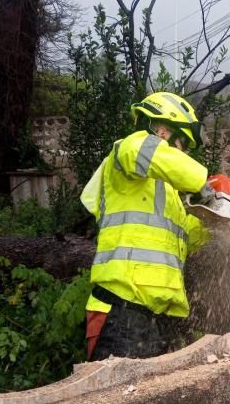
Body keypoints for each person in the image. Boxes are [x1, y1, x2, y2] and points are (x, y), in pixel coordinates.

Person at [79, 91, 216, 360]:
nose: (184, 154)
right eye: (182, 144)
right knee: (115, 400)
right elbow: (151, 154)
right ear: (163, 132)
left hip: (159, 319)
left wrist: (222, 222)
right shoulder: (128, 150)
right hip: (121, 310)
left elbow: (186, 237)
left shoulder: (169, 197)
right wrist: (202, 182)